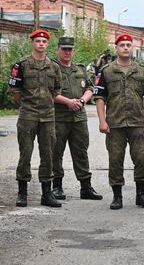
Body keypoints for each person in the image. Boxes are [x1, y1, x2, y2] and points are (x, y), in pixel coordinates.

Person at [93, 33, 144, 210]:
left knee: (141, 159)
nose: (126, 48)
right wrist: (102, 121)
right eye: (122, 45)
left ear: (132, 48)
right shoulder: (106, 71)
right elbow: (99, 97)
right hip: (115, 124)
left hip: (138, 123)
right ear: (117, 48)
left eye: (129, 45)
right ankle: (117, 196)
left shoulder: (141, 70)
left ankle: (141, 195)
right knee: (115, 160)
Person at [8, 29, 63, 208]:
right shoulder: (21, 65)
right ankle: (22, 192)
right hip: (28, 116)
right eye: (38, 41)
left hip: (48, 116)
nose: (41, 44)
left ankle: (46, 194)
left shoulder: (54, 66)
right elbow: (16, 92)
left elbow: (56, 91)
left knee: (48, 155)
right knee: (25, 154)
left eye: (44, 41)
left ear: (47, 44)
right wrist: (27, 105)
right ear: (32, 43)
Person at [51, 37, 102, 201]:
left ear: (73, 51)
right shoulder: (52, 68)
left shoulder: (79, 69)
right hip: (58, 118)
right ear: (57, 50)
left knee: (81, 152)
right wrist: (68, 102)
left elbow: (90, 87)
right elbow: (47, 91)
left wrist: (81, 101)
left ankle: (86, 187)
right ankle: (57, 187)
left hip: (78, 118)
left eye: (70, 49)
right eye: (64, 49)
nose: (67, 52)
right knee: (55, 152)